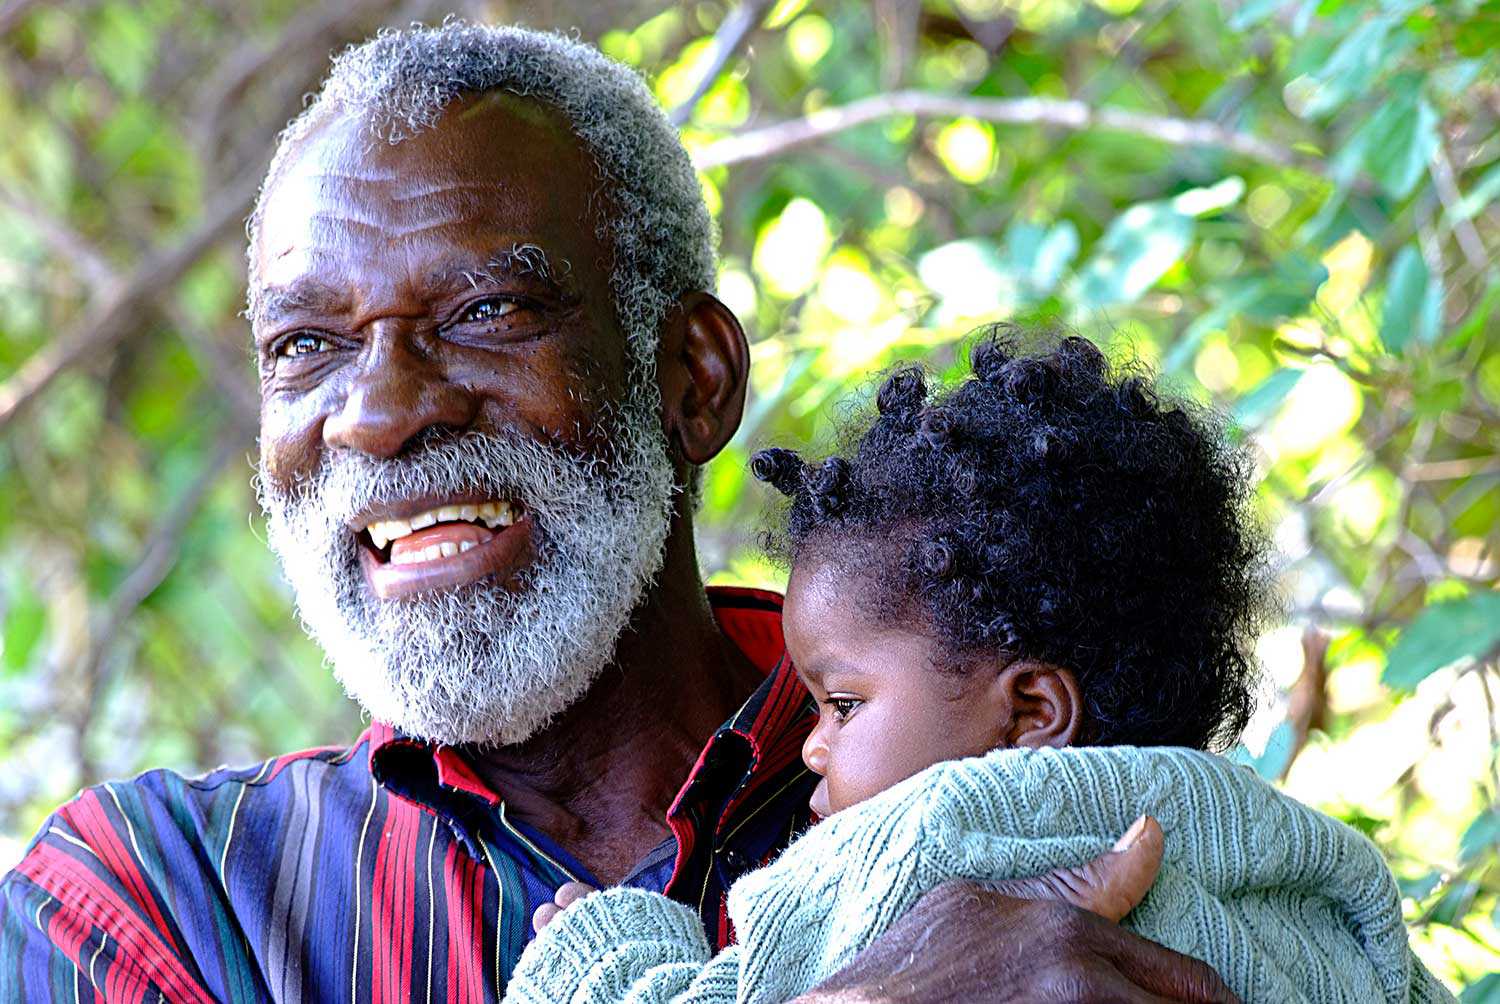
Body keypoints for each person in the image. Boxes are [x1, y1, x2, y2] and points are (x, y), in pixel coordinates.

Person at [0, 23, 1234, 1002]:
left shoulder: (1007, 758)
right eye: (307, 345)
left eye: (485, 313)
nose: (376, 414)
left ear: (692, 382)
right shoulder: (159, 901)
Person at [506, 333, 1454, 1003]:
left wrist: (608, 950)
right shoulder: (1288, 852)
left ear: (1031, 711)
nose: (810, 749)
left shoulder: (936, 838)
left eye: (842, 703)